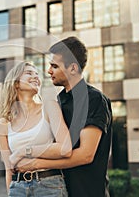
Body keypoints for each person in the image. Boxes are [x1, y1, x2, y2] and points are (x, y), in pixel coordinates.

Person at [14, 37, 113, 197]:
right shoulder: (60, 100)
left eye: (54, 66)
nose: (49, 71)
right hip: (59, 190)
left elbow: (86, 155)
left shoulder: (94, 99)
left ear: (73, 68)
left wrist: (36, 163)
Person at [0, 61, 73, 197]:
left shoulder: (49, 107)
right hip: (17, 188)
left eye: (37, 74)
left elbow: (65, 148)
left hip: (49, 185)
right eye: (29, 73)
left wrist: (22, 152)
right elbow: (9, 169)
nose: (36, 76)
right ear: (16, 83)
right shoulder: (2, 125)